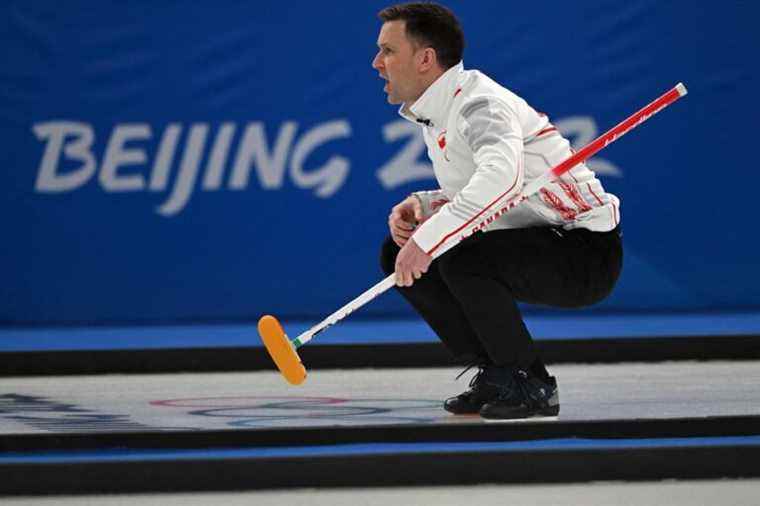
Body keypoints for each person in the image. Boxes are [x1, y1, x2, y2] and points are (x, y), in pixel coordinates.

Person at [372, 2, 623, 420]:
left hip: (585, 252)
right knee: (395, 253)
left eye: (388, 51)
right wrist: (425, 205)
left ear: (425, 60)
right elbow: (494, 193)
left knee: (459, 255)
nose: (377, 63)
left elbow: (500, 183)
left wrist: (429, 238)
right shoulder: (439, 112)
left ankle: (529, 382)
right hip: (541, 236)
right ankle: (496, 372)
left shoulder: (479, 105)